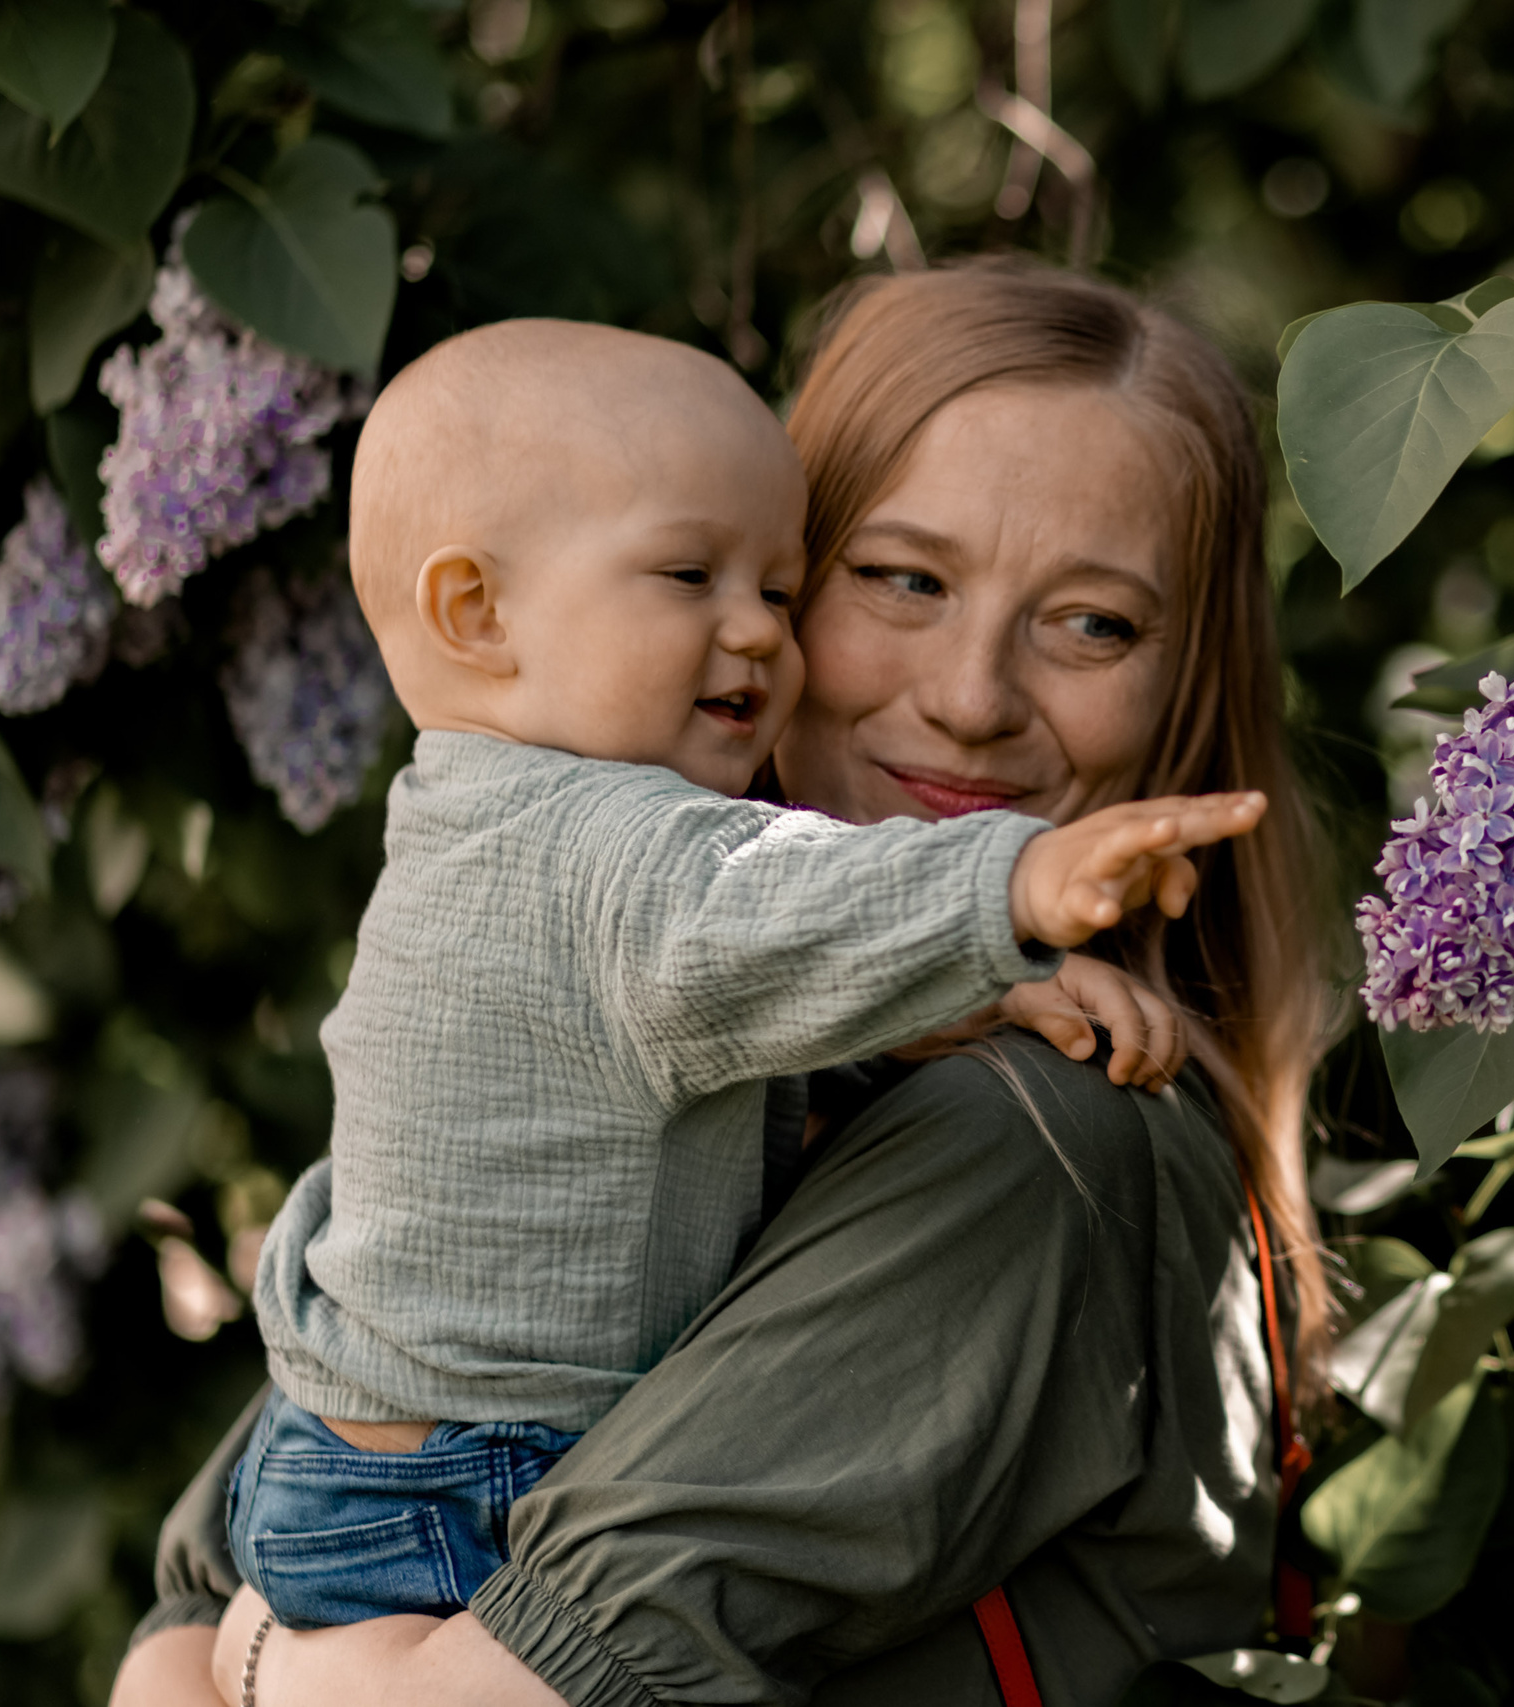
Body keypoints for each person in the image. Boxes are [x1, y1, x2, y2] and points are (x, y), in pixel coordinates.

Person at [111, 258, 1337, 1707]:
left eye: (1093, 624)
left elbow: (323, 1669)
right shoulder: (631, 1051)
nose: (970, 695)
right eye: (902, 579)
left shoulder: (1037, 1141)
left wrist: (271, 1652)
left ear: (1184, 688)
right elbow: (185, 1614)